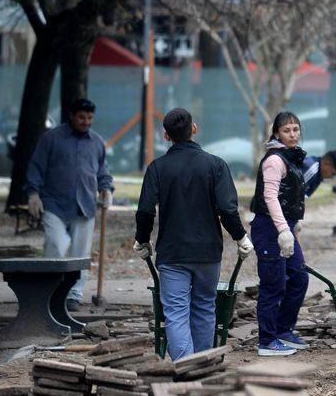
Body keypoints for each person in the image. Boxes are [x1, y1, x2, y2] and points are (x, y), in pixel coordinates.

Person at [133, 108, 251, 361]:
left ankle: (183, 367)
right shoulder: (216, 165)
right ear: (194, 129)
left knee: (176, 312)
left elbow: (145, 210)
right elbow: (227, 209)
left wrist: (142, 239)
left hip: (172, 252)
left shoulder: (157, 168)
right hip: (208, 252)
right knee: (204, 307)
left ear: (166, 136)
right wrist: (241, 237)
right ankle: (203, 365)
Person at [25, 98, 114, 311]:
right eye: (82, 117)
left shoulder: (96, 142)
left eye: (90, 118)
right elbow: (36, 168)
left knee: (81, 253)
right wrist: (33, 194)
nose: (86, 122)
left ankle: (74, 295)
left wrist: (107, 189)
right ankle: (51, 291)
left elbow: (103, 171)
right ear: (72, 116)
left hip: (85, 205)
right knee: (55, 245)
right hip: (54, 204)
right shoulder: (51, 139)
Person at [248, 112, 316, 357]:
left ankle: (283, 330)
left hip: (284, 227)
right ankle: (267, 341)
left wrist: (292, 226)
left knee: (299, 278)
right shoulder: (274, 160)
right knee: (273, 285)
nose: (293, 134)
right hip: (270, 229)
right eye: (287, 130)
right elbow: (270, 197)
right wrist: (283, 229)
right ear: (277, 133)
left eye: (296, 129)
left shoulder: (290, 156)